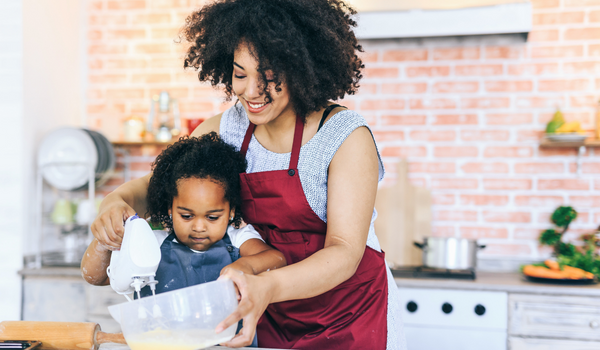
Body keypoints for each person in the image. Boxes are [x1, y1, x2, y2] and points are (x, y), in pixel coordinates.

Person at [90, 0, 406, 349]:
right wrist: (114, 201)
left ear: (302, 69)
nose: (251, 92)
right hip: (264, 310)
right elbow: (157, 189)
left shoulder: (343, 137)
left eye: (269, 77)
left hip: (350, 314)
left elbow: (345, 252)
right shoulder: (226, 130)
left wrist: (267, 285)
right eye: (240, 74)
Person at [81, 134, 286, 344]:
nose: (198, 227)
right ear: (170, 209)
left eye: (212, 217)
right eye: (186, 216)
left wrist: (244, 266)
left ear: (231, 212)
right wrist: (107, 238)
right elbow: (95, 277)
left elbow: (276, 259)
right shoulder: (152, 243)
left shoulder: (237, 237)